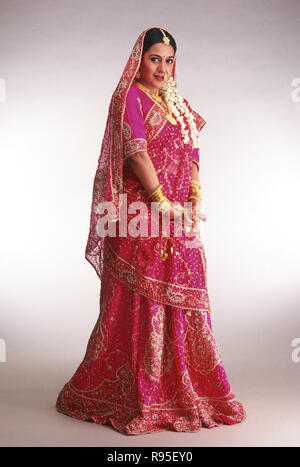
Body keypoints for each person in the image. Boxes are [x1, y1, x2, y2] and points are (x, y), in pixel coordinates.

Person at [55, 27, 246, 435]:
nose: (162, 67)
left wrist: (194, 192)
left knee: (188, 292)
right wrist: (162, 202)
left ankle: (185, 387)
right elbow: (137, 152)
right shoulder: (130, 98)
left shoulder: (175, 102)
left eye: (169, 60)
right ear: (139, 60)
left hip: (179, 215)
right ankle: (139, 391)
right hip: (142, 215)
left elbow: (192, 146)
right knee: (141, 300)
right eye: (155, 58)